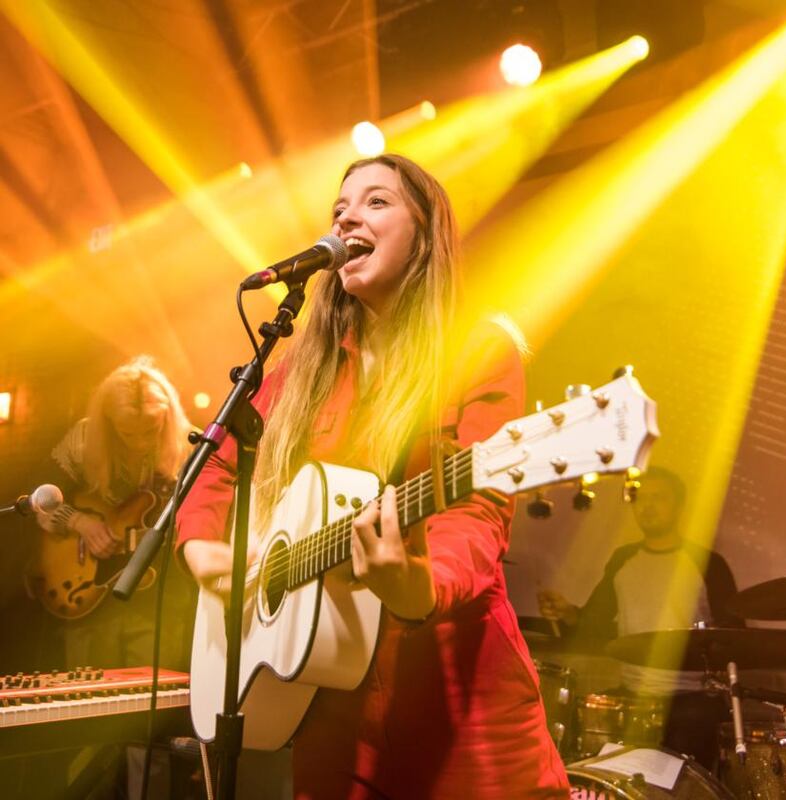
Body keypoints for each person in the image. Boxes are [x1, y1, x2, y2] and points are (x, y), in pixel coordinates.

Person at [176, 154, 570, 798]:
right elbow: (213, 459)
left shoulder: (477, 350)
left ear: (425, 231)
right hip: (330, 715)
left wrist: (415, 585)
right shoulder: (305, 367)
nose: (349, 215)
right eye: (339, 208)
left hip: (460, 714)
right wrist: (199, 546)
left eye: (377, 202)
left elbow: (477, 516)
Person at [538, 465, 742, 768]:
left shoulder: (708, 564)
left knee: (690, 736)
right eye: (640, 498)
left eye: (658, 498)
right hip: (632, 694)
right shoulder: (623, 559)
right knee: (586, 723)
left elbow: (735, 637)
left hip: (690, 698)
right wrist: (567, 612)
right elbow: (594, 623)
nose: (647, 506)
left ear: (679, 505)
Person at [32, 355, 196, 671]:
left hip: (160, 603)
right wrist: (78, 521)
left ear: (167, 417)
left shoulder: (192, 446)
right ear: (107, 422)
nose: (139, 442)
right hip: (86, 598)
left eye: (150, 430)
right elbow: (41, 499)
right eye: (127, 433)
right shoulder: (82, 439)